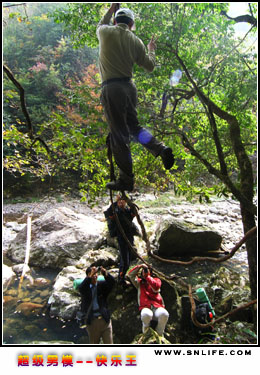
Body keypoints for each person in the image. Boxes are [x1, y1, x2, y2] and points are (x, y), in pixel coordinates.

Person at [97, 4, 175, 192]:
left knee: (119, 135)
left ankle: (126, 180)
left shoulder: (105, 32)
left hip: (112, 88)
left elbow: (101, 23)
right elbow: (150, 66)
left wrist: (111, 8)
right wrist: (151, 49)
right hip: (129, 89)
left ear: (116, 21)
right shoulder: (137, 41)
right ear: (131, 24)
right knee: (134, 127)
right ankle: (161, 149)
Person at [104, 195, 139, 284]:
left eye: (123, 201)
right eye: (120, 201)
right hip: (121, 238)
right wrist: (116, 202)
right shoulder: (115, 212)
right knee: (125, 261)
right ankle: (121, 278)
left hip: (129, 237)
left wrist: (130, 203)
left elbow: (135, 212)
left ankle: (122, 276)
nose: (121, 203)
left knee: (128, 259)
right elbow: (108, 213)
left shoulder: (128, 211)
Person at [127, 264, 169, 336]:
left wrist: (148, 277)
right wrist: (140, 266)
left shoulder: (157, 280)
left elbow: (156, 287)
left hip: (157, 307)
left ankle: (159, 334)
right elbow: (130, 275)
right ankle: (146, 334)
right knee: (146, 314)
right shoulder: (139, 283)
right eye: (144, 271)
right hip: (145, 307)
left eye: (147, 271)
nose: (145, 272)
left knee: (164, 314)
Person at [78, 266, 115, 344]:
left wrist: (105, 274)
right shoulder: (85, 289)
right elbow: (81, 288)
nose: (95, 276)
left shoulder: (101, 285)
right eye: (93, 274)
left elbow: (112, 283)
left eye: (96, 274)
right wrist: (89, 277)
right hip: (92, 322)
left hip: (105, 321)